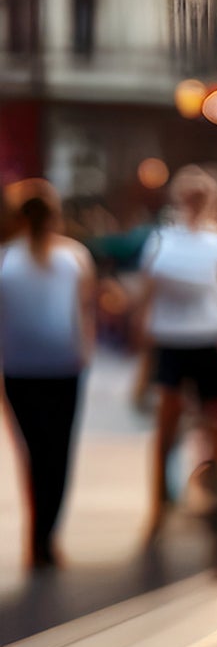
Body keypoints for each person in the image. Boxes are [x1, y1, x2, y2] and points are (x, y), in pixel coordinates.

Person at [133, 165, 217, 547]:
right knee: (167, 421)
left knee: (216, 421)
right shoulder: (162, 239)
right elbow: (146, 291)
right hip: (171, 341)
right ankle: (158, 501)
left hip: (209, 339)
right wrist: (141, 335)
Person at [0, 180, 95, 569]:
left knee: (33, 452)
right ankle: (46, 535)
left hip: (19, 366)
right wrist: (85, 352)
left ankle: (38, 535)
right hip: (63, 364)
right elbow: (85, 311)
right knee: (57, 452)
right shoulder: (76, 257)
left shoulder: (5, 258)